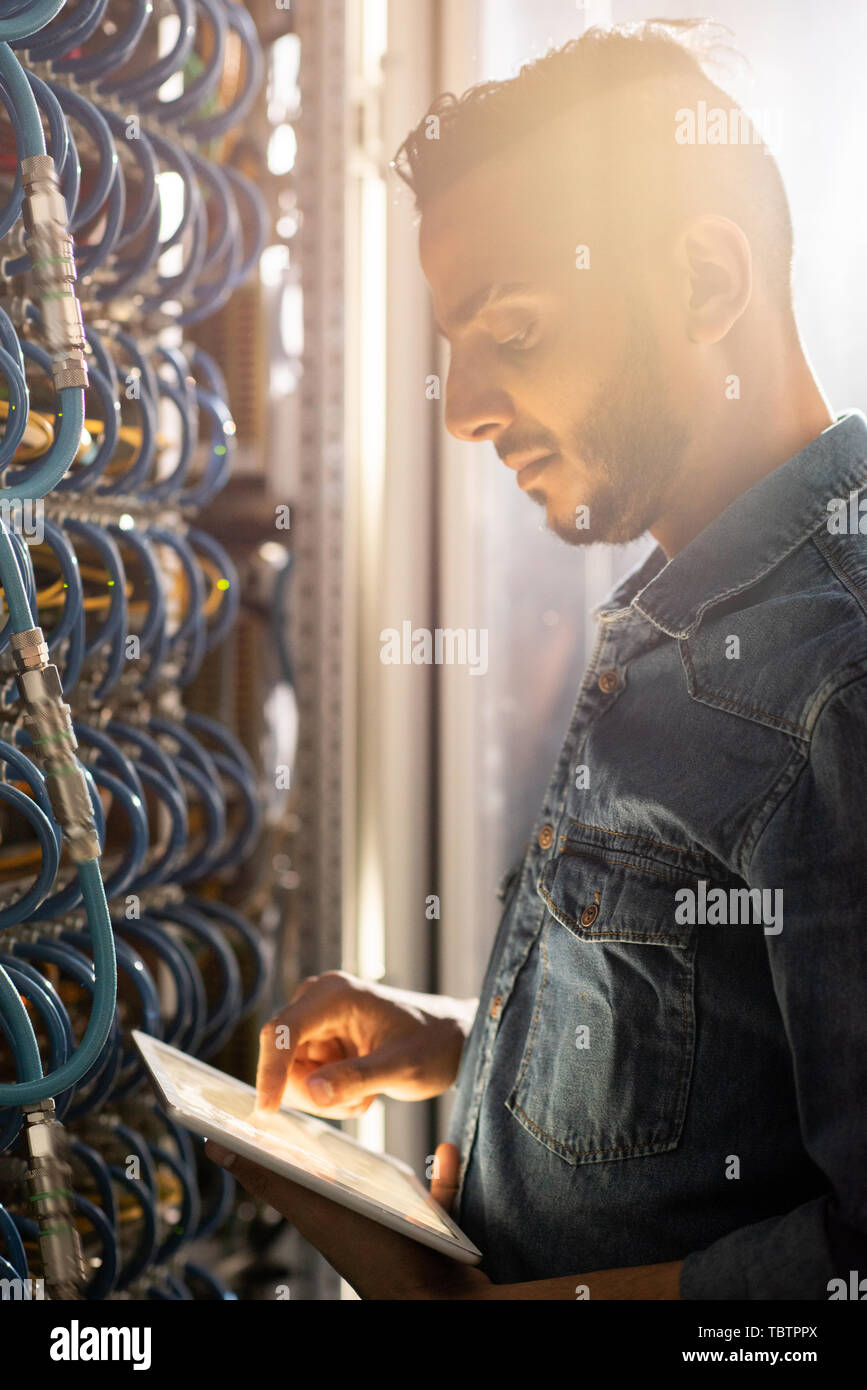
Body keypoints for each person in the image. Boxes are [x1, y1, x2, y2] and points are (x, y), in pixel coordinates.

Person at [206, 20, 867, 1300]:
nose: (462, 408)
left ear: (706, 285)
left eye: (512, 327)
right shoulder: (693, 607)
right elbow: (722, 1034)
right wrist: (460, 1037)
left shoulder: (835, 680)